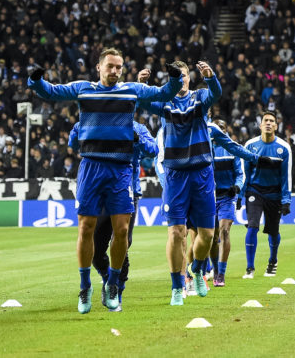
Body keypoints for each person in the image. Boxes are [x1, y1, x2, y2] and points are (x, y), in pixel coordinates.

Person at [27, 48, 183, 313]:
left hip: (121, 170)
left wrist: (176, 79)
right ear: (99, 68)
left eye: (119, 67)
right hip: (91, 167)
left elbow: (163, 93)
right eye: (110, 66)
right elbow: (52, 92)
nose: (115, 71)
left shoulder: (131, 90)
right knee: (86, 227)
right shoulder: (83, 89)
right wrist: (36, 80)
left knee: (121, 231)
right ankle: (85, 286)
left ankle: (112, 283)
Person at [141, 61, 222, 306]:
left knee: (207, 235)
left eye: (184, 75)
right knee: (177, 233)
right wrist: (141, 85)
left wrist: (211, 77)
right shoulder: (164, 99)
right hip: (176, 175)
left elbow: (216, 94)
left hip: (202, 173)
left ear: (189, 77)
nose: (181, 80)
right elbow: (142, 101)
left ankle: (196, 270)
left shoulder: (200, 97)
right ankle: (177, 286)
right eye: (177, 76)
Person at [72, 119, 158, 312]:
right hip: (101, 191)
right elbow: (74, 142)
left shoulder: (137, 128)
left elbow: (153, 150)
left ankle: (117, 291)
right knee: (96, 249)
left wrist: (138, 140)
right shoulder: (97, 122)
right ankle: (107, 278)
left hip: (128, 191)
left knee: (123, 241)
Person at [206, 118, 261, 287]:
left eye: (223, 128)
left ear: (226, 131)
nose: (220, 131)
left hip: (227, 196)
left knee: (224, 231)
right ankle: (214, 269)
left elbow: (240, 173)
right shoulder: (205, 148)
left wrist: (237, 189)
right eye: (217, 128)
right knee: (211, 236)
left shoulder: (231, 148)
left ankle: (221, 273)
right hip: (208, 197)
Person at [241, 111, 292, 279]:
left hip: (274, 194)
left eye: (272, 121)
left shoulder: (283, 148)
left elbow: (286, 176)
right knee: (252, 226)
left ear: (276, 126)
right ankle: (250, 268)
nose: (268, 123)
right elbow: (244, 173)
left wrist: (286, 200)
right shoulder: (250, 145)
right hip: (254, 191)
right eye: (266, 121)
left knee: (272, 231)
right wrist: (240, 195)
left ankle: (273, 261)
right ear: (261, 125)